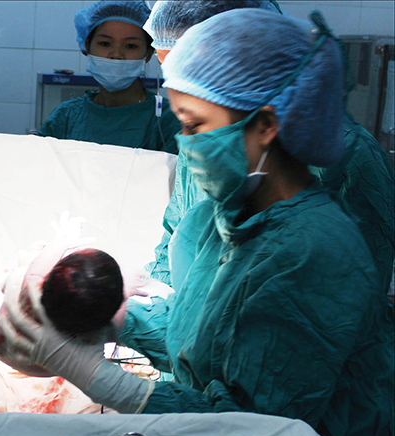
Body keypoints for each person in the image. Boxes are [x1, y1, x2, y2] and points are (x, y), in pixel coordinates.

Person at [0, 9, 394, 436]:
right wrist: (105, 315)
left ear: (265, 125)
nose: (185, 144)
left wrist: (94, 374)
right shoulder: (221, 217)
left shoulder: (314, 250)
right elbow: (202, 336)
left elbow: (251, 430)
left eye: (195, 125)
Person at [144, 0, 395, 296]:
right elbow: (176, 232)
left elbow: (351, 300)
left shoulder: (349, 158)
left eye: (194, 76)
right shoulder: (207, 134)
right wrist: (153, 296)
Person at [37, 0, 181, 154]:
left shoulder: (169, 120)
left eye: (131, 46)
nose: (116, 55)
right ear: (88, 46)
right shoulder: (66, 117)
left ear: (148, 53)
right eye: (105, 43)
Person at [0, 239, 125, 377]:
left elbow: (32, 274)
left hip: (3, 347)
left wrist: (63, 240)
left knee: (24, 268)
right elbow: (119, 320)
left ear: (47, 280)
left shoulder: (28, 288)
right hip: (43, 370)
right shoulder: (102, 333)